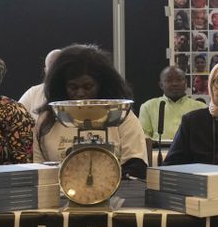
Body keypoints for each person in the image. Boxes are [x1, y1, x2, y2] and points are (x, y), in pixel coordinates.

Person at [33, 44, 148, 179]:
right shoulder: (45, 119)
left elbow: (136, 166)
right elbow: (38, 168)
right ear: (62, 86)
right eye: (73, 87)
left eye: (88, 86)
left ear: (101, 84)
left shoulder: (121, 116)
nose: (80, 93)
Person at [139, 66, 206, 141]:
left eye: (179, 79)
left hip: (191, 152)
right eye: (169, 80)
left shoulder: (201, 108)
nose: (175, 83)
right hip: (158, 151)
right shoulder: (148, 107)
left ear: (186, 83)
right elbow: (143, 138)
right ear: (161, 85)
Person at [18, 48, 62, 120]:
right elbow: (16, 120)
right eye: (52, 67)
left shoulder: (76, 94)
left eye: (59, 65)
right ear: (45, 71)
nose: (55, 71)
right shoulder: (33, 93)